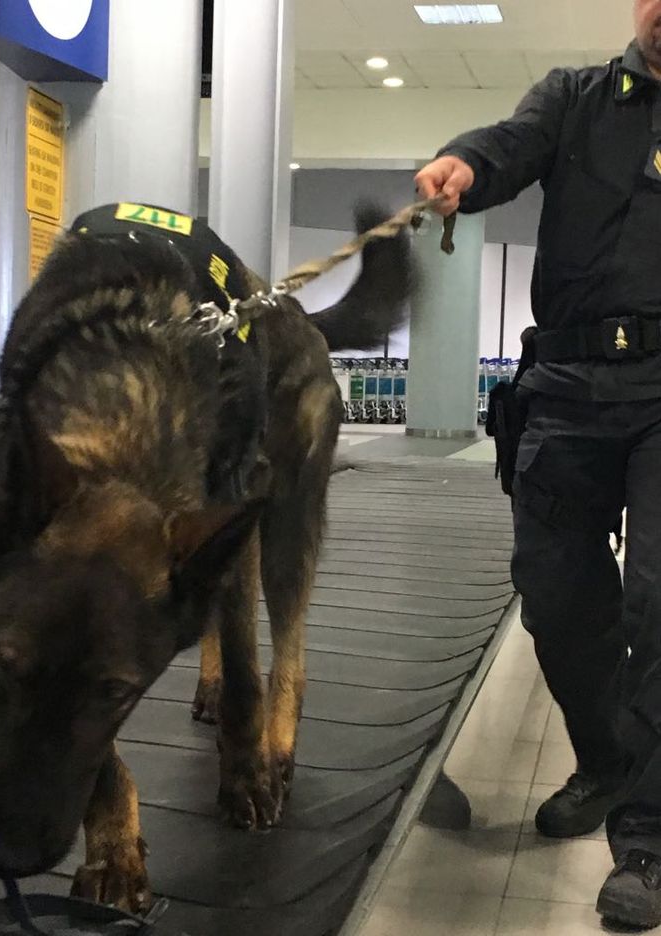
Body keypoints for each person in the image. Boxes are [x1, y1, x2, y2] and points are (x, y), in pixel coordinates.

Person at [415, 0, 661, 928]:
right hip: (561, 383)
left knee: (659, 600)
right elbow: (509, 145)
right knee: (557, 597)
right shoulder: (576, 97)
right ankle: (606, 761)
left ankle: (646, 838)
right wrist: (465, 166)